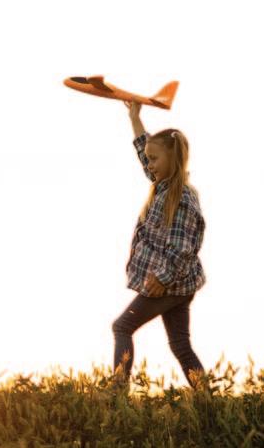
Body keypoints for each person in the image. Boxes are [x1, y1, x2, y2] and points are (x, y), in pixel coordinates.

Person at [111, 100, 206, 387]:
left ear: (172, 159)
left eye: (154, 160)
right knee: (180, 345)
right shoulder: (162, 185)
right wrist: (134, 117)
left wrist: (162, 279)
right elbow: (145, 150)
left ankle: (117, 394)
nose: (149, 165)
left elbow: (182, 247)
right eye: (148, 160)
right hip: (177, 285)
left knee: (122, 326)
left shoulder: (181, 198)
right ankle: (207, 400)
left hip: (168, 284)